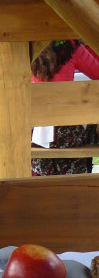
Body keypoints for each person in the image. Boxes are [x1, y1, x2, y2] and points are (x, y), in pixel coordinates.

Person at [30, 40, 99, 176]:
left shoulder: (27, 47)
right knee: (90, 117)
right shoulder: (70, 47)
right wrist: (87, 45)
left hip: (34, 131)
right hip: (67, 134)